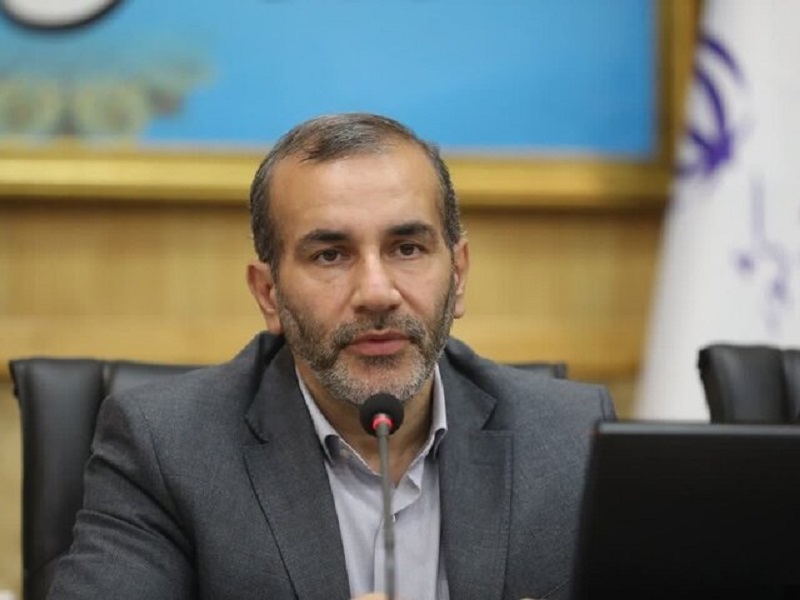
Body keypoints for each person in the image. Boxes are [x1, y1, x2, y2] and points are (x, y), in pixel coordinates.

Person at [48, 113, 615, 600]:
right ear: (269, 294)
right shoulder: (167, 447)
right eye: (330, 255)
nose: (377, 292)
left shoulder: (571, 440)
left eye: (407, 248)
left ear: (459, 275)